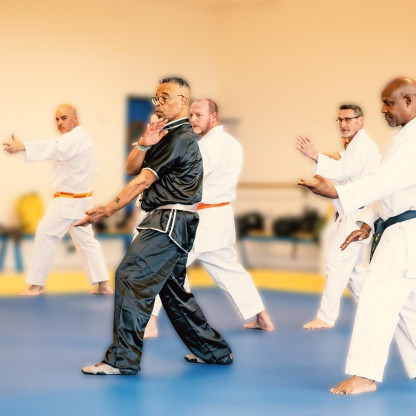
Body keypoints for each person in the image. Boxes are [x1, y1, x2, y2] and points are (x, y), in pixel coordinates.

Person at [79, 77, 233, 375]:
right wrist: (143, 143)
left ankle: (122, 359)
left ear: (182, 101)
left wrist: (108, 208)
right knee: (172, 291)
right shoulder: (166, 135)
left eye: (164, 98)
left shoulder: (179, 137)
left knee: (130, 276)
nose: (158, 104)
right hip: (171, 221)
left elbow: (142, 181)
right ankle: (214, 351)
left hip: (169, 221)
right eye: (156, 98)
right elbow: (132, 168)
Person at [298, 76, 416, 394]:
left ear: (410, 101)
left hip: (405, 233)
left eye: (389, 103)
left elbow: (384, 182)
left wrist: (337, 192)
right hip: (400, 227)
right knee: (407, 305)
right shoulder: (405, 137)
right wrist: (366, 222)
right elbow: (391, 188)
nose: (383, 109)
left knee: (375, 298)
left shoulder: (412, 139)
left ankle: (364, 376)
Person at [137, 99, 274, 338]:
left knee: (162, 263)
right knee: (229, 269)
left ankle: (150, 323)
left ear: (214, 117)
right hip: (219, 217)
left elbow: (187, 178)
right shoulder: (231, 144)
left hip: (201, 218)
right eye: (191, 115)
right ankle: (261, 316)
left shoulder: (207, 147)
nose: (193, 120)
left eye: (198, 115)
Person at [2, 104, 112, 296]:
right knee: (86, 242)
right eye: (57, 119)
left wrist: (22, 147)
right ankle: (104, 285)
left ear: (75, 119)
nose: (59, 122)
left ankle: (36, 285)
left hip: (67, 202)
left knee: (45, 235)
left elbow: (54, 148)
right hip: (81, 201)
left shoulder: (76, 138)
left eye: (63, 118)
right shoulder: (80, 138)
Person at [296, 105, 380, 330]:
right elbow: (342, 162)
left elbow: (343, 169)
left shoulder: (363, 145)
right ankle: (373, 312)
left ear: (360, 120)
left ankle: (326, 317)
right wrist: (323, 158)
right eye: (340, 120)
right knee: (354, 273)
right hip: (351, 214)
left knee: (336, 262)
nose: (343, 124)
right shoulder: (355, 147)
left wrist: (314, 155)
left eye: (348, 119)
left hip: (358, 216)